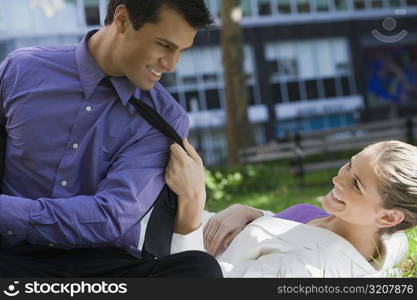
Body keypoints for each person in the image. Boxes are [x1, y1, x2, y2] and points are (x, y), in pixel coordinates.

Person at [0, 0, 222, 278]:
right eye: (165, 45)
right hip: (10, 257)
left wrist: (8, 211)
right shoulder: (22, 70)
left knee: (199, 271)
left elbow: (110, 217)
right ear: (122, 20)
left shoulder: (164, 118)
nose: (171, 64)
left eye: (181, 52)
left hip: (105, 270)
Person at [163, 140, 417, 277]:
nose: (338, 180)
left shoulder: (305, 270)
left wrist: (191, 200)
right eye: (349, 166)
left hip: (166, 248)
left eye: (357, 185)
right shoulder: (389, 238)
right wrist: (254, 213)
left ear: (388, 216)